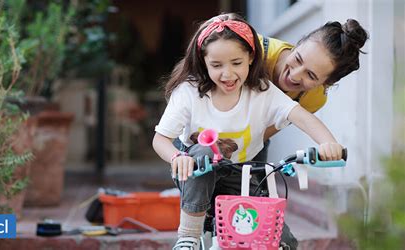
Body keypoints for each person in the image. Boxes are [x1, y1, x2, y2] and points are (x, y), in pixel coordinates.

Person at [152, 13, 345, 250]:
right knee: (203, 150)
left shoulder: (263, 91)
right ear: (203, 62)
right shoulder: (189, 92)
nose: (228, 74)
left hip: (240, 173)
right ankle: (188, 237)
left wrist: (328, 142)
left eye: (236, 63)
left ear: (251, 58)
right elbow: (161, 139)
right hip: (196, 171)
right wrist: (177, 157)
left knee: (279, 238)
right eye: (216, 65)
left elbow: (303, 117)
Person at [253, 19, 369, 162]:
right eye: (298, 59)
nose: (294, 75)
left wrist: (329, 143)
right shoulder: (252, 48)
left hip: (252, 138)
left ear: (327, 83)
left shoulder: (314, 98)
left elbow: (263, 134)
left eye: (311, 75)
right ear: (298, 44)